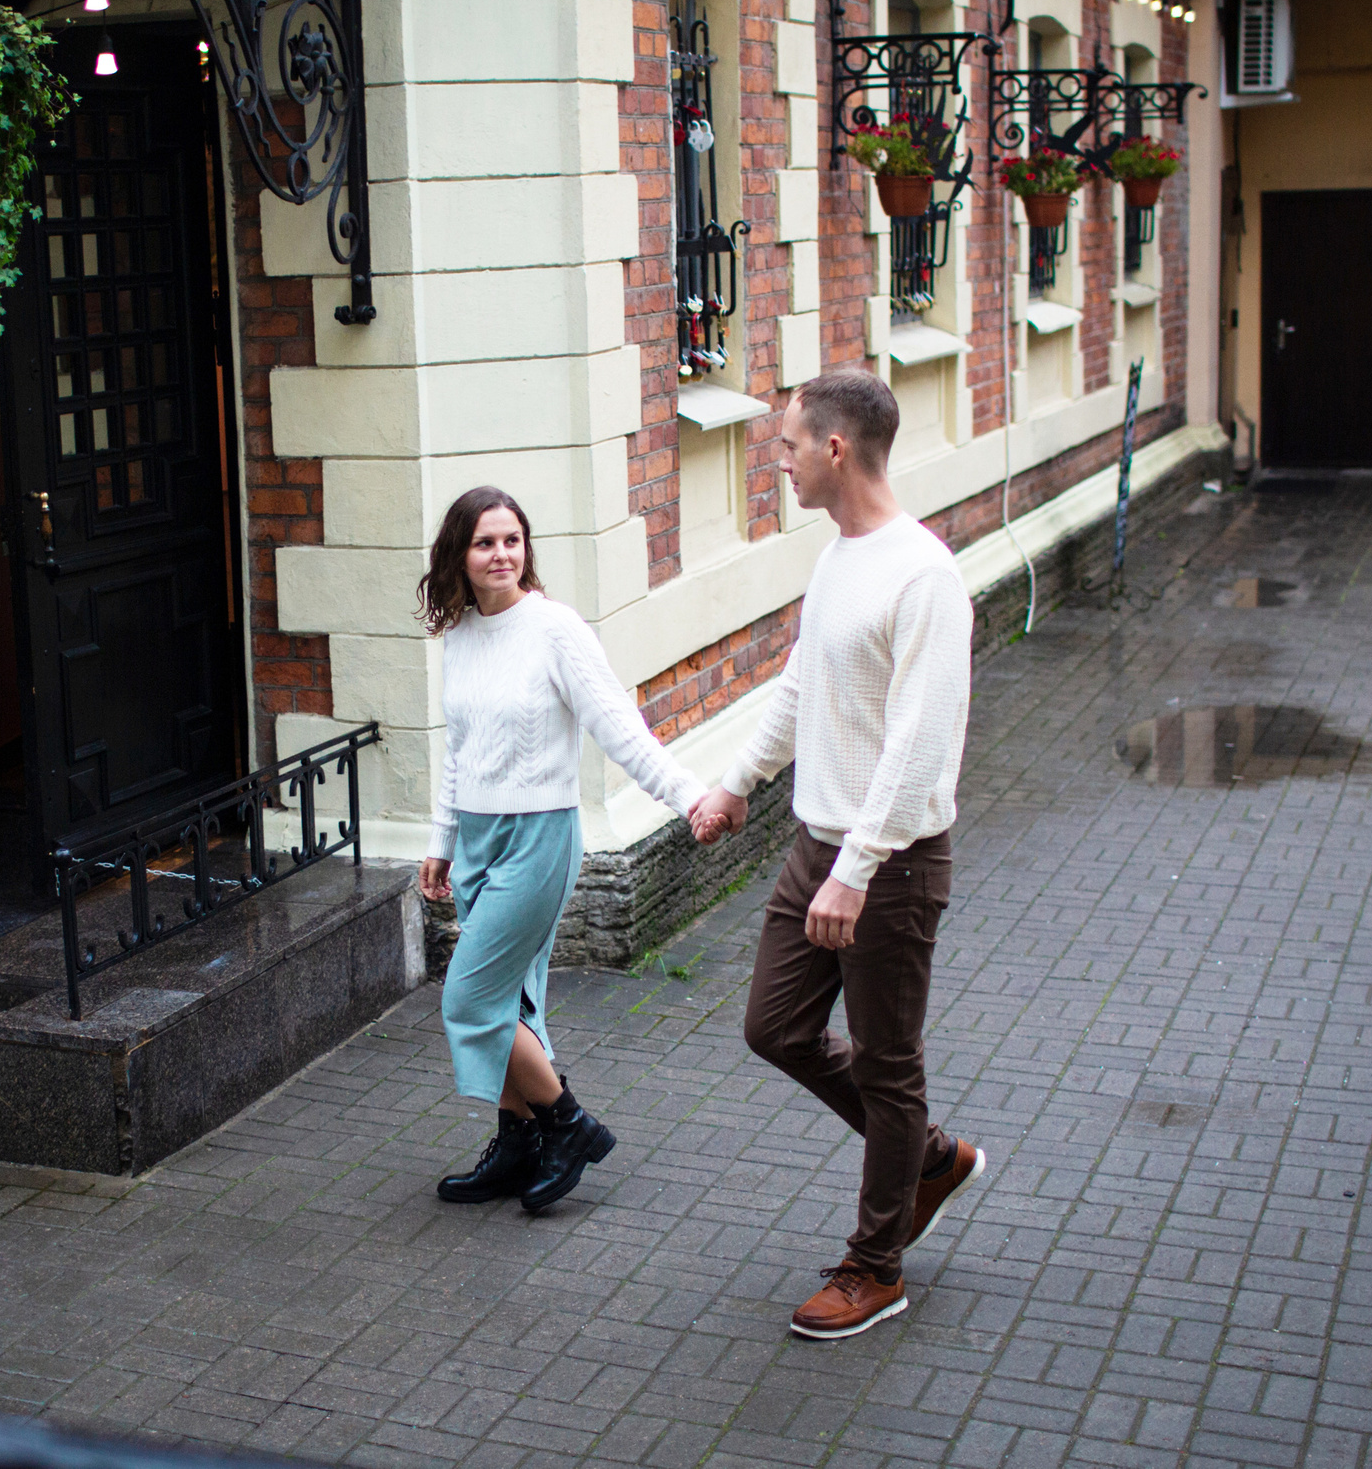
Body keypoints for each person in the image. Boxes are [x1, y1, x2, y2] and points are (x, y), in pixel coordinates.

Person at [688, 368, 984, 1340]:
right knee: (773, 1026)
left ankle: (875, 1265)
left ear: (834, 449)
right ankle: (927, 1160)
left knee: (889, 1065)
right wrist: (735, 781)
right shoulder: (836, 559)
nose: (774, 462)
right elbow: (798, 688)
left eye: (783, 446)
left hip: (888, 864)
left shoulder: (923, 574)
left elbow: (917, 744)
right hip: (815, 844)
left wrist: (857, 869)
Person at [419, 486, 709, 1214]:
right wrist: (442, 841)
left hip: (540, 835)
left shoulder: (555, 629)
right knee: (515, 1000)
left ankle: (570, 1126)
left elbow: (618, 726)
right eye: (485, 542)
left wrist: (689, 796)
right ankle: (518, 1144)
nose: (501, 554)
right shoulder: (457, 635)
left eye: (512, 540)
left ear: (527, 550)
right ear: (459, 553)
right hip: (480, 839)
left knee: (471, 997)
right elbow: (459, 750)